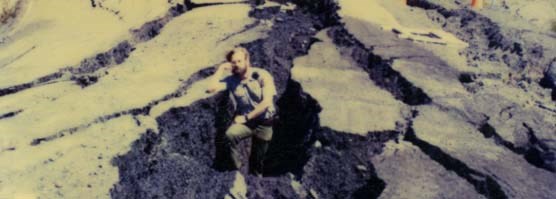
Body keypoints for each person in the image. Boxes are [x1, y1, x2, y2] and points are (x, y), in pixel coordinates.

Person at [206, 47, 277, 176]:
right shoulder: (232, 80)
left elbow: (266, 102)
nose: (236, 65)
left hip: (264, 122)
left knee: (258, 159)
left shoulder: (262, 75)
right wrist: (221, 68)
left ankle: (256, 180)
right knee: (230, 135)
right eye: (233, 62)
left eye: (239, 61)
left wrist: (245, 118)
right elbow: (210, 88)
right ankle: (237, 171)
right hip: (247, 123)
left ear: (247, 60)